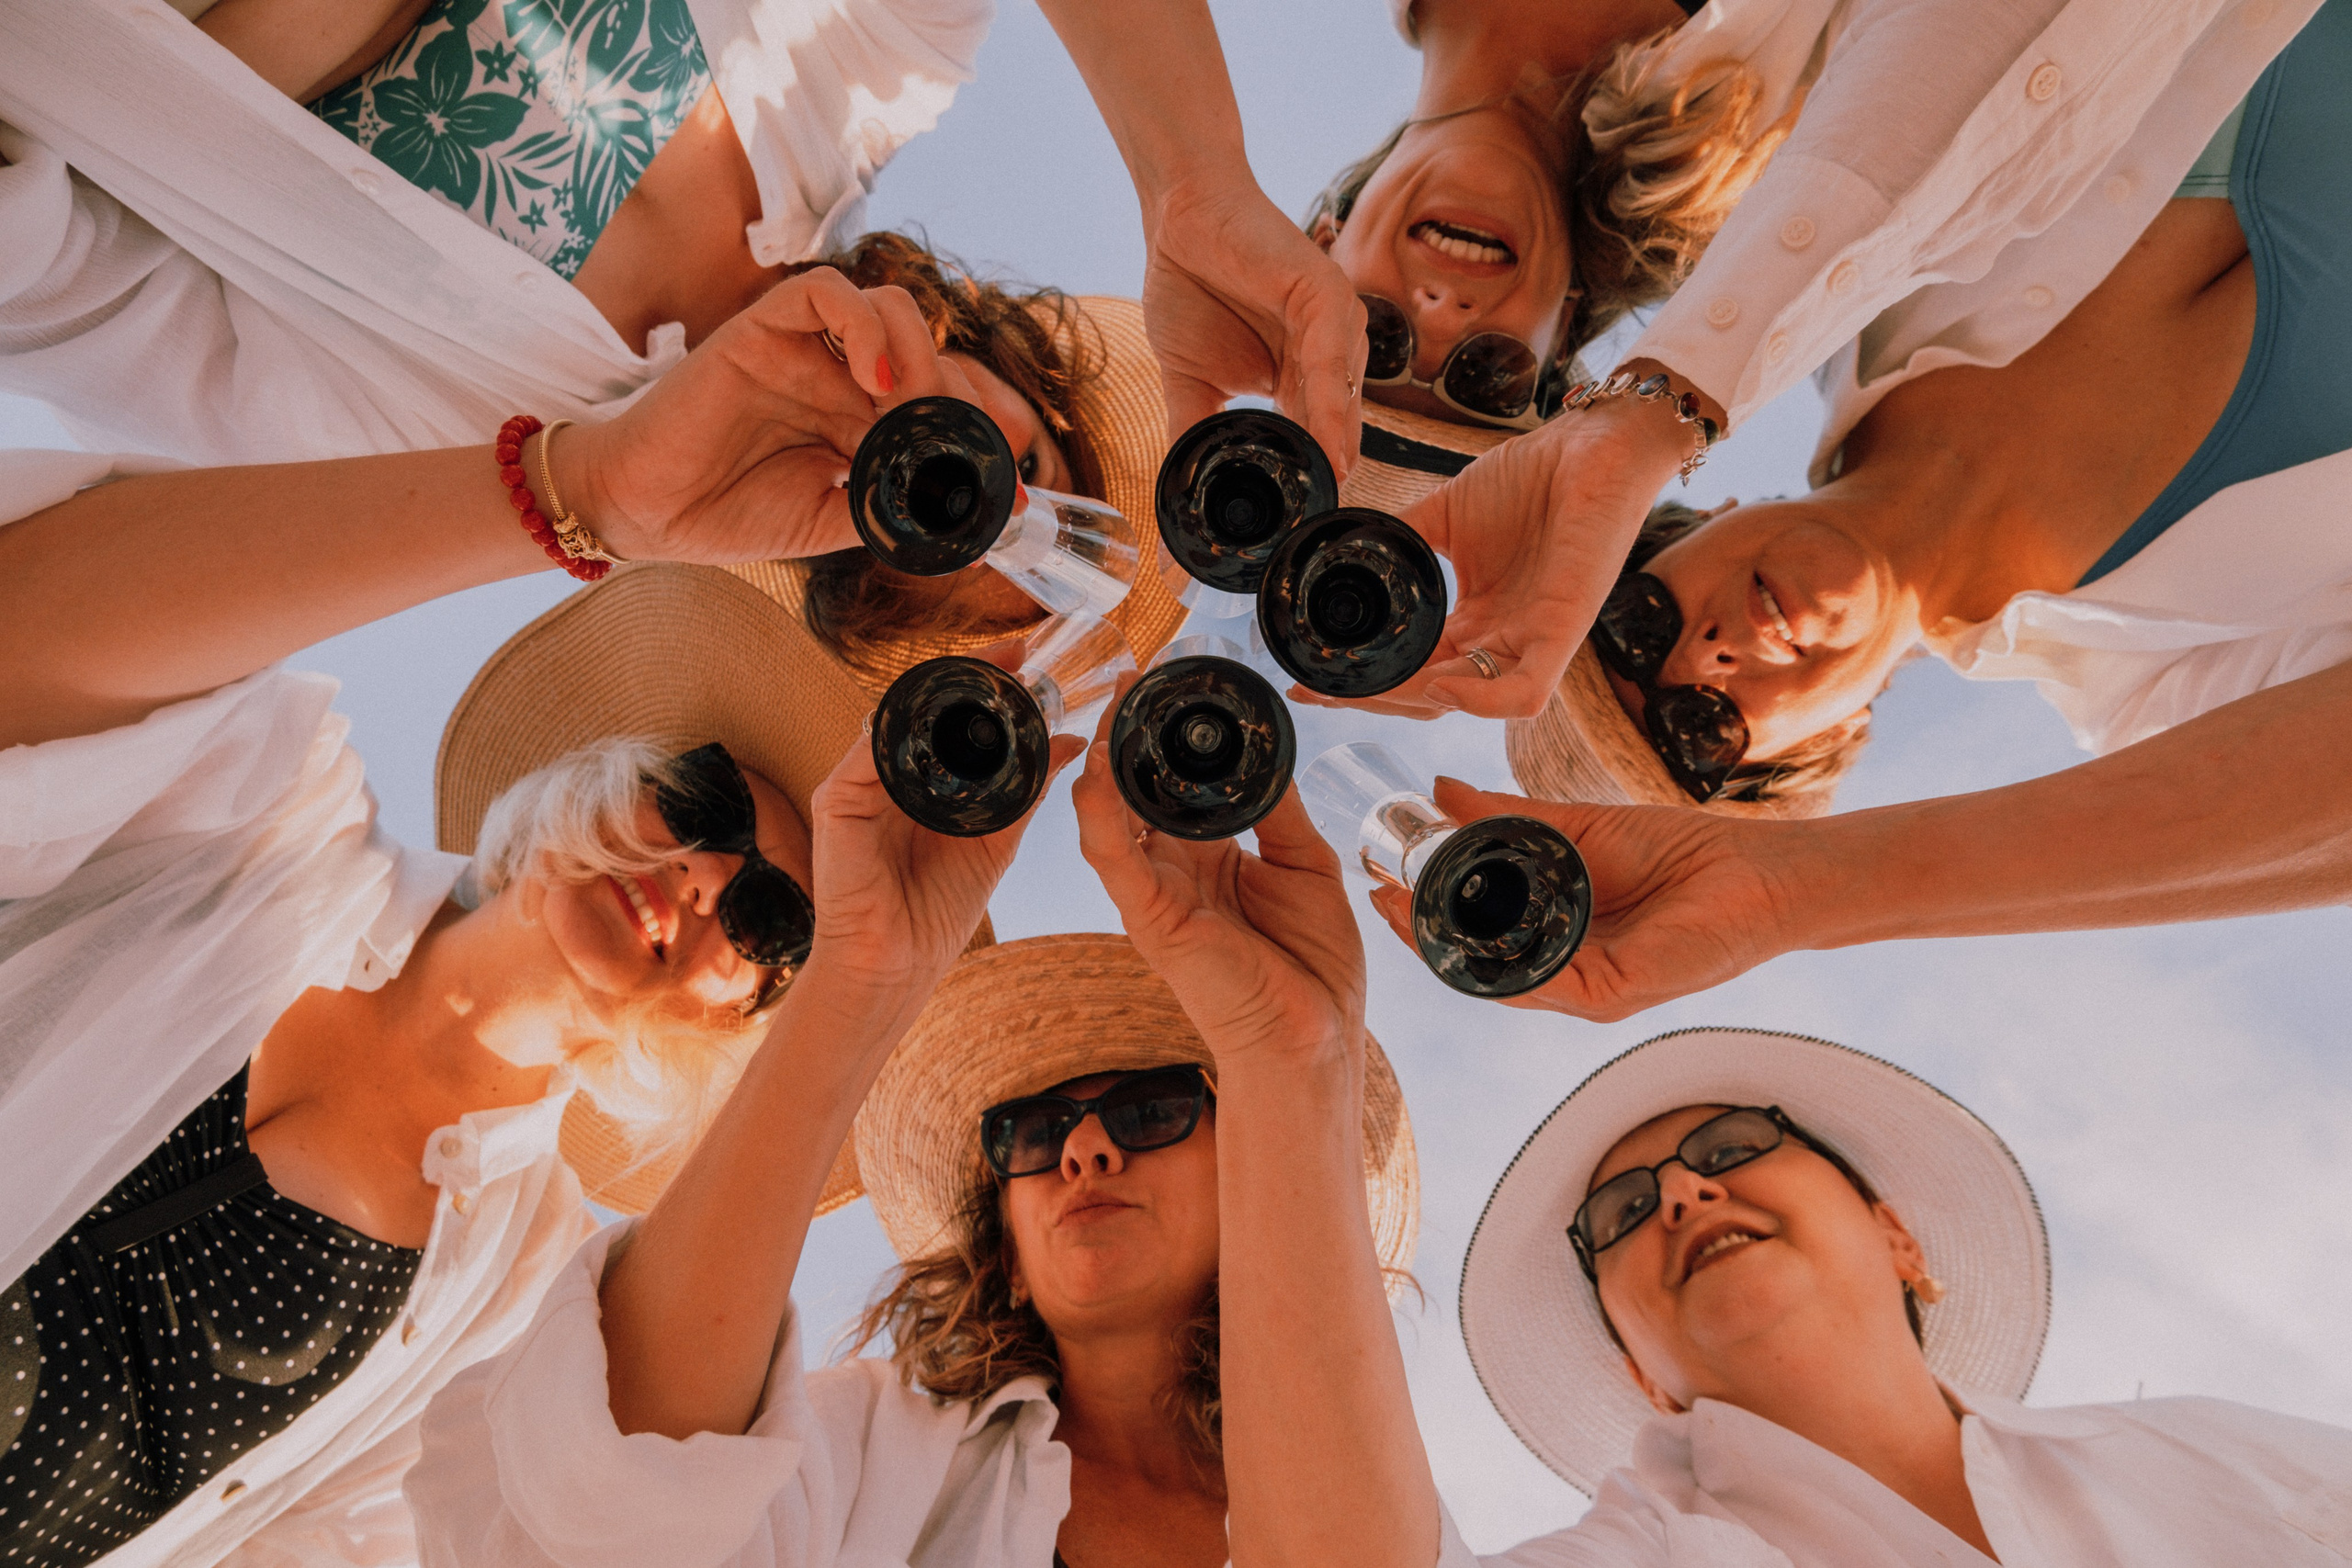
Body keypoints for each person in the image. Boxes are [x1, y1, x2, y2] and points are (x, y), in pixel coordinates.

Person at [0, 275, 986, 1565]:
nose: (697, 870)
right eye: (697, 797)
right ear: (609, 766)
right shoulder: (262, 822)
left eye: (769, 911)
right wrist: (589, 491)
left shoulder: (528, 1296)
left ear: (750, 1014)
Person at [401, 732, 1430, 1568]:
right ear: (1005, 1251)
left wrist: (1289, 1059)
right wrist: (856, 979)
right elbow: (601, 1517)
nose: (1081, 1151)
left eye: (1151, 1114)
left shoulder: (1371, 1473)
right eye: (1027, 1136)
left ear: (1252, 1184)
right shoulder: (856, 1456)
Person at [1312, 0, 2318, 726]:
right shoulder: (2147, 676)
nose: (1702, 661)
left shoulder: (1833, 273)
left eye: (1634, 620)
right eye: (1702, 737)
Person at [1435, 1027, 2352, 1563]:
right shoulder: (1656, 1551)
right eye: (1621, 1211)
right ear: (1642, 1374)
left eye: (1731, 1148)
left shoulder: (2200, 1453)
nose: (1679, 1193)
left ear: (1894, 1238)